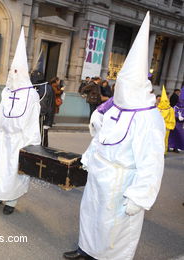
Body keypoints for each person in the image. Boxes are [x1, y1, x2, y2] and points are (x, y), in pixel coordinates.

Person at [64, 12, 165, 260]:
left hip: (123, 183)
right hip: (100, 175)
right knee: (91, 215)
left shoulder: (149, 118)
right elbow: (100, 138)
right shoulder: (115, 109)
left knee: (115, 230)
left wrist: (139, 196)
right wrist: (89, 157)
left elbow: (152, 162)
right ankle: (86, 249)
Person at [0, 27, 41, 215]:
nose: (13, 74)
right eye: (11, 71)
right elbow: (0, 113)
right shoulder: (8, 93)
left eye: (17, 71)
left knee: (14, 172)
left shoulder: (31, 95)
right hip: (4, 139)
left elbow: (32, 120)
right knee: (0, 169)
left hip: (19, 140)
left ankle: (12, 201)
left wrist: (31, 145)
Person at [158, 86, 176, 154]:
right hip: (158, 127)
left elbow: (172, 118)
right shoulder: (158, 108)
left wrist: (170, 126)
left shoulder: (170, 109)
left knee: (164, 139)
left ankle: (163, 152)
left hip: (166, 127)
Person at [168, 87, 184, 153]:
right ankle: (169, 146)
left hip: (180, 125)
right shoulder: (175, 107)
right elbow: (172, 113)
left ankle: (176, 147)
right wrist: (177, 117)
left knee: (179, 136)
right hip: (174, 123)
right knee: (172, 136)